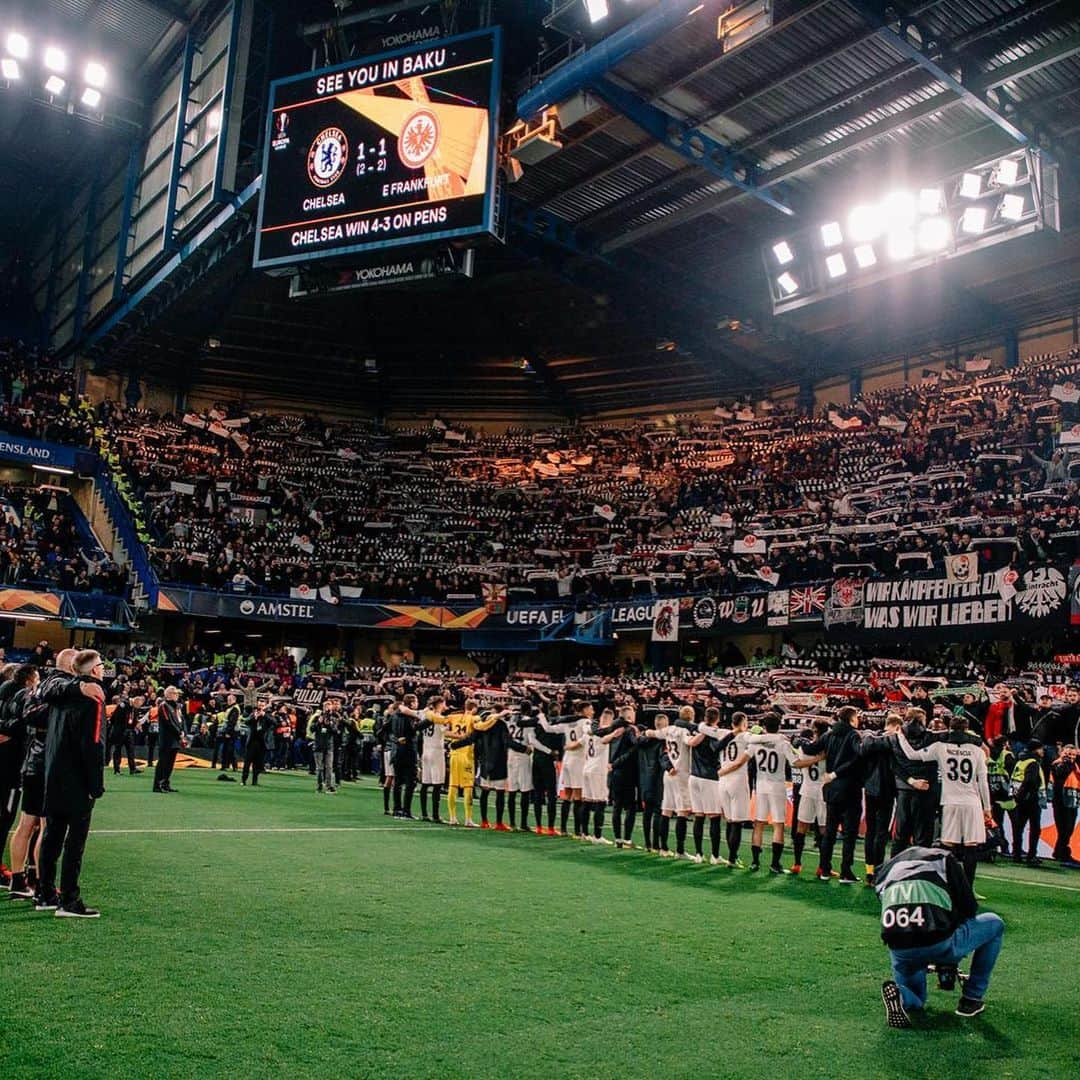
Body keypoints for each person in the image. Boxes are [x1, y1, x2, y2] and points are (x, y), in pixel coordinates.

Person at [878, 845, 1005, 1026]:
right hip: (938, 941)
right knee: (995, 924)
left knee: (917, 998)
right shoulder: (944, 859)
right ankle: (971, 998)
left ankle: (902, 995)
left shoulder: (886, 869)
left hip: (900, 948)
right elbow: (969, 907)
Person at [36, 649, 107, 918]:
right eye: (101, 664)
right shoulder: (92, 697)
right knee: (74, 842)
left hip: (54, 775)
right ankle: (69, 899)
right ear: (93, 670)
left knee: (52, 837)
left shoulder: (61, 694)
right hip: (77, 780)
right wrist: (96, 784)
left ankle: (45, 893)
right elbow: (93, 744)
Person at [896, 713, 993, 885]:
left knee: (948, 845)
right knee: (971, 846)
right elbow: (983, 782)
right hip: (972, 802)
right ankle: (967, 888)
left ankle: (947, 884)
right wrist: (987, 808)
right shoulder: (978, 751)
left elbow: (912, 755)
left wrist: (901, 736)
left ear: (950, 729)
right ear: (967, 729)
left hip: (950, 802)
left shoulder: (940, 747)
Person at [803, 705, 865, 884]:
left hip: (831, 790)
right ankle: (846, 871)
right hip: (849, 788)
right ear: (852, 719)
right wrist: (836, 773)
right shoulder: (853, 735)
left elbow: (810, 749)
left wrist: (799, 741)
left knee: (829, 831)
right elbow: (857, 758)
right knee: (849, 833)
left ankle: (825, 869)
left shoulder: (828, 734)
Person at [1008, 741, 1045, 865]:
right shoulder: (1033, 763)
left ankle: (1016, 854)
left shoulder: (1020, 761)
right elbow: (1029, 781)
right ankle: (1031, 856)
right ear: (1035, 750)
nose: (1042, 751)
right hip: (1031, 800)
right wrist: (1024, 796)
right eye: (1041, 749)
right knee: (1035, 828)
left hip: (1019, 798)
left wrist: (1017, 797)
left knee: (1018, 828)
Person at [1049, 746, 1079, 864]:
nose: (1071, 757)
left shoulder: (1076, 766)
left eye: (1073, 755)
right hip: (1061, 801)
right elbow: (1059, 775)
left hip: (1073, 800)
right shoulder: (1058, 765)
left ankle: (1059, 852)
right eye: (1068, 754)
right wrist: (1068, 763)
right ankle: (1063, 853)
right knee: (1064, 829)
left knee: (1069, 829)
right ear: (1062, 753)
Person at [153, 686, 186, 794]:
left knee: (170, 764)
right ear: (168, 694)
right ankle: (157, 785)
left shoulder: (176, 707)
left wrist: (183, 732)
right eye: (174, 693)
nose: (176, 695)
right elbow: (168, 722)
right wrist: (178, 732)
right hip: (167, 739)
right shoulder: (164, 706)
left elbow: (181, 721)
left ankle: (166, 783)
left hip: (175, 740)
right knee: (163, 762)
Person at [242, 702, 271, 787]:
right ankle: (244, 779)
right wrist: (254, 717)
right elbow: (246, 721)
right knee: (247, 762)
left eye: (262, 706)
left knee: (257, 763)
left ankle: (255, 781)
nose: (260, 708)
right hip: (251, 742)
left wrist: (264, 715)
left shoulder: (267, 716)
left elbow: (274, 722)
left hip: (261, 743)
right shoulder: (253, 714)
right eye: (259, 706)